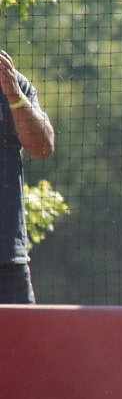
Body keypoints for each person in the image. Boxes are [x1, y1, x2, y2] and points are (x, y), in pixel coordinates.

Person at [0, 48, 56, 304]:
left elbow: (43, 147)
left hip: (7, 259)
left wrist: (14, 95)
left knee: (23, 343)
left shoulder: (12, 82)